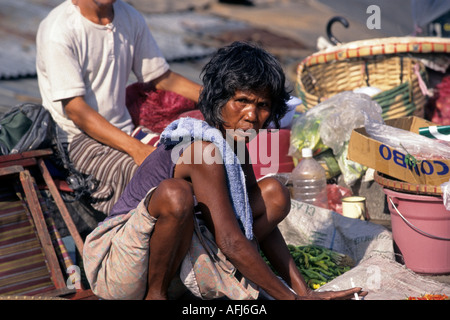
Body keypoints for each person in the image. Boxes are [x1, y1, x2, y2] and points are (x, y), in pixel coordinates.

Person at [82, 41, 367, 300]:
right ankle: (156, 295)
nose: (252, 116)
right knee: (175, 194)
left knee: (274, 194)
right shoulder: (205, 149)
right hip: (119, 264)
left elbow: (250, 219)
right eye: (241, 101)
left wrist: (302, 291)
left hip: (180, 255)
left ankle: (204, 279)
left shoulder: (234, 141)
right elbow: (230, 240)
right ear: (220, 101)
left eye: (262, 105)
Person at [35, 0, 202, 215]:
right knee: (156, 180)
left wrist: (217, 97)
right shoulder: (58, 29)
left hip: (125, 131)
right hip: (75, 140)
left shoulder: (129, 17)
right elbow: (76, 110)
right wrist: (137, 149)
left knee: (197, 159)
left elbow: (162, 77)